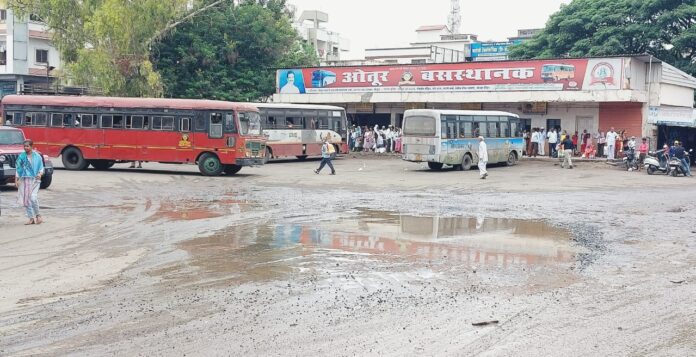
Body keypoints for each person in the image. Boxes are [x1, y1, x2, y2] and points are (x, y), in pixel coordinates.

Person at [15, 140, 45, 225]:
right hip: (24, 180)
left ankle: (38, 215)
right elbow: (18, 168)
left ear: (32, 146)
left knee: (33, 197)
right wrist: (16, 179)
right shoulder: (21, 156)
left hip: (35, 180)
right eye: (25, 146)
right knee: (26, 199)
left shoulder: (37, 156)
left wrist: (40, 174)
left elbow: (41, 168)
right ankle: (31, 218)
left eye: (27, 146)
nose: (26, 148)